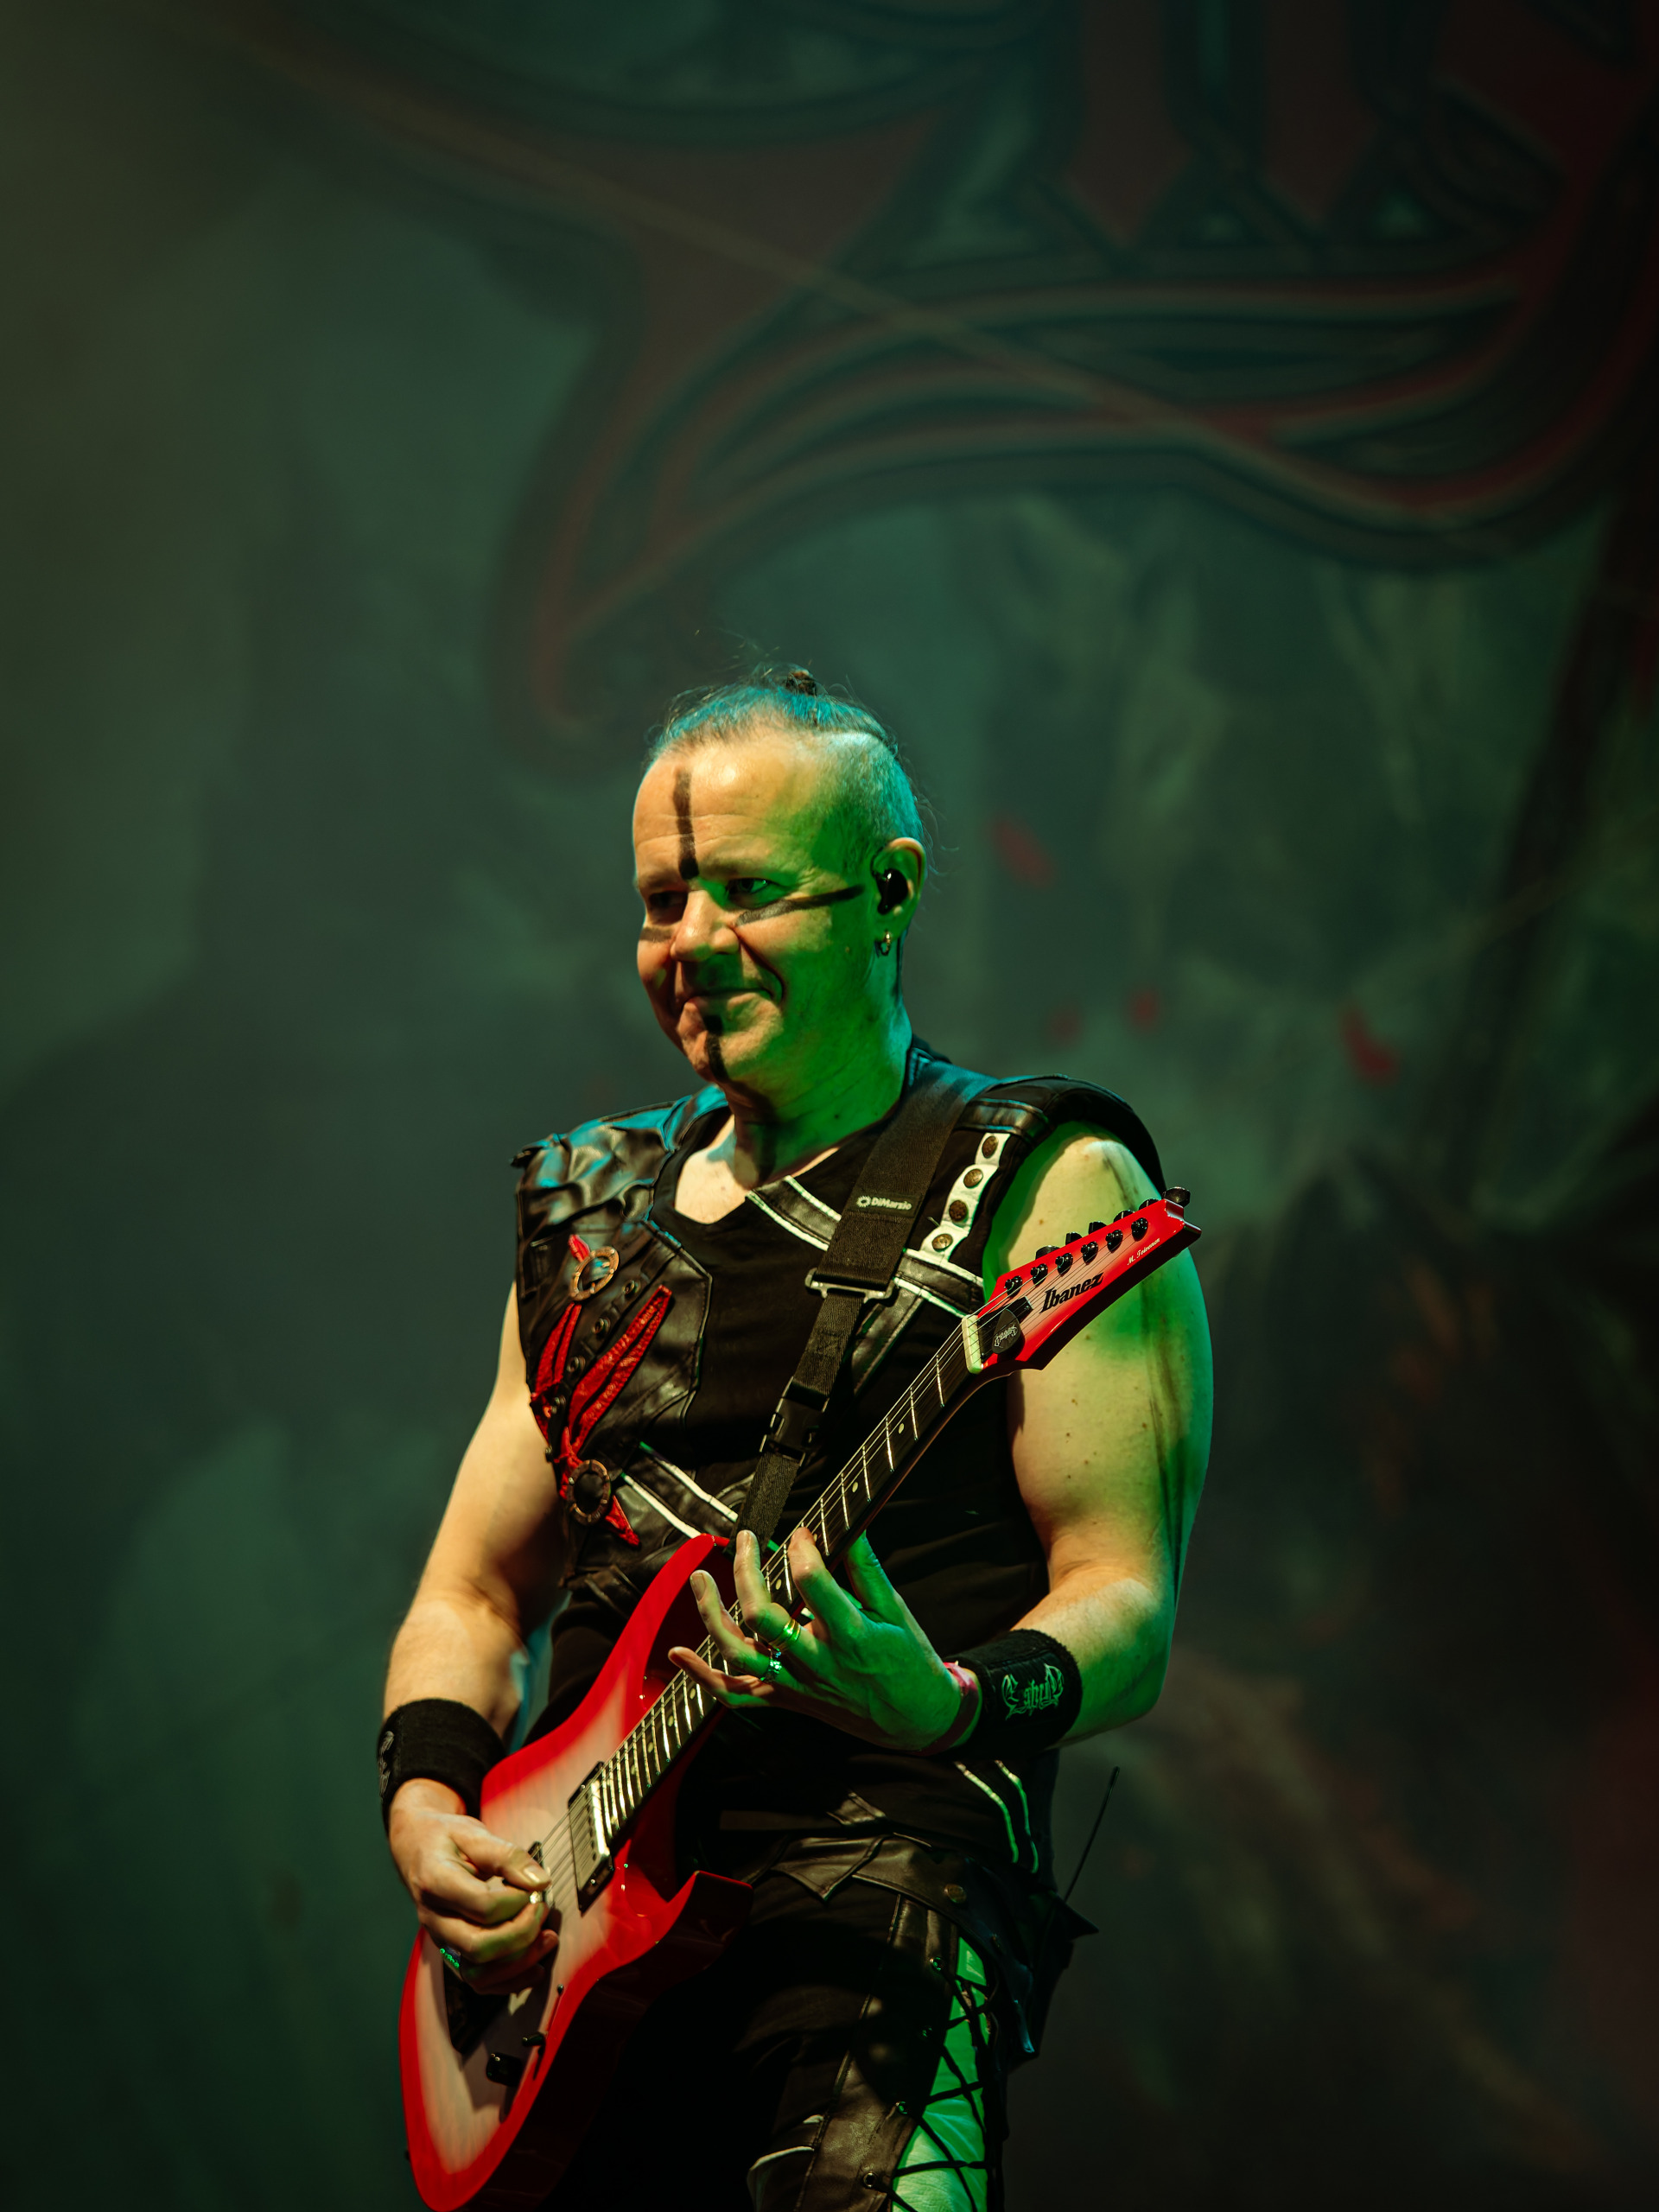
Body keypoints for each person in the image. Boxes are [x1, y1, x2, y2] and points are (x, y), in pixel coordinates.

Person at [379, 670, 1212, 2210]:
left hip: (885, 1895)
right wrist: (429, 1811)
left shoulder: (1042, 1181)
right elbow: (474, 1595)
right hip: (578, 1936)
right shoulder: (582, 1216)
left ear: (891, 892)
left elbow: (1127, 1600)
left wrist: (950, 1701)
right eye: (662, 900)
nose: (693, 941)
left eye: (749, 891)